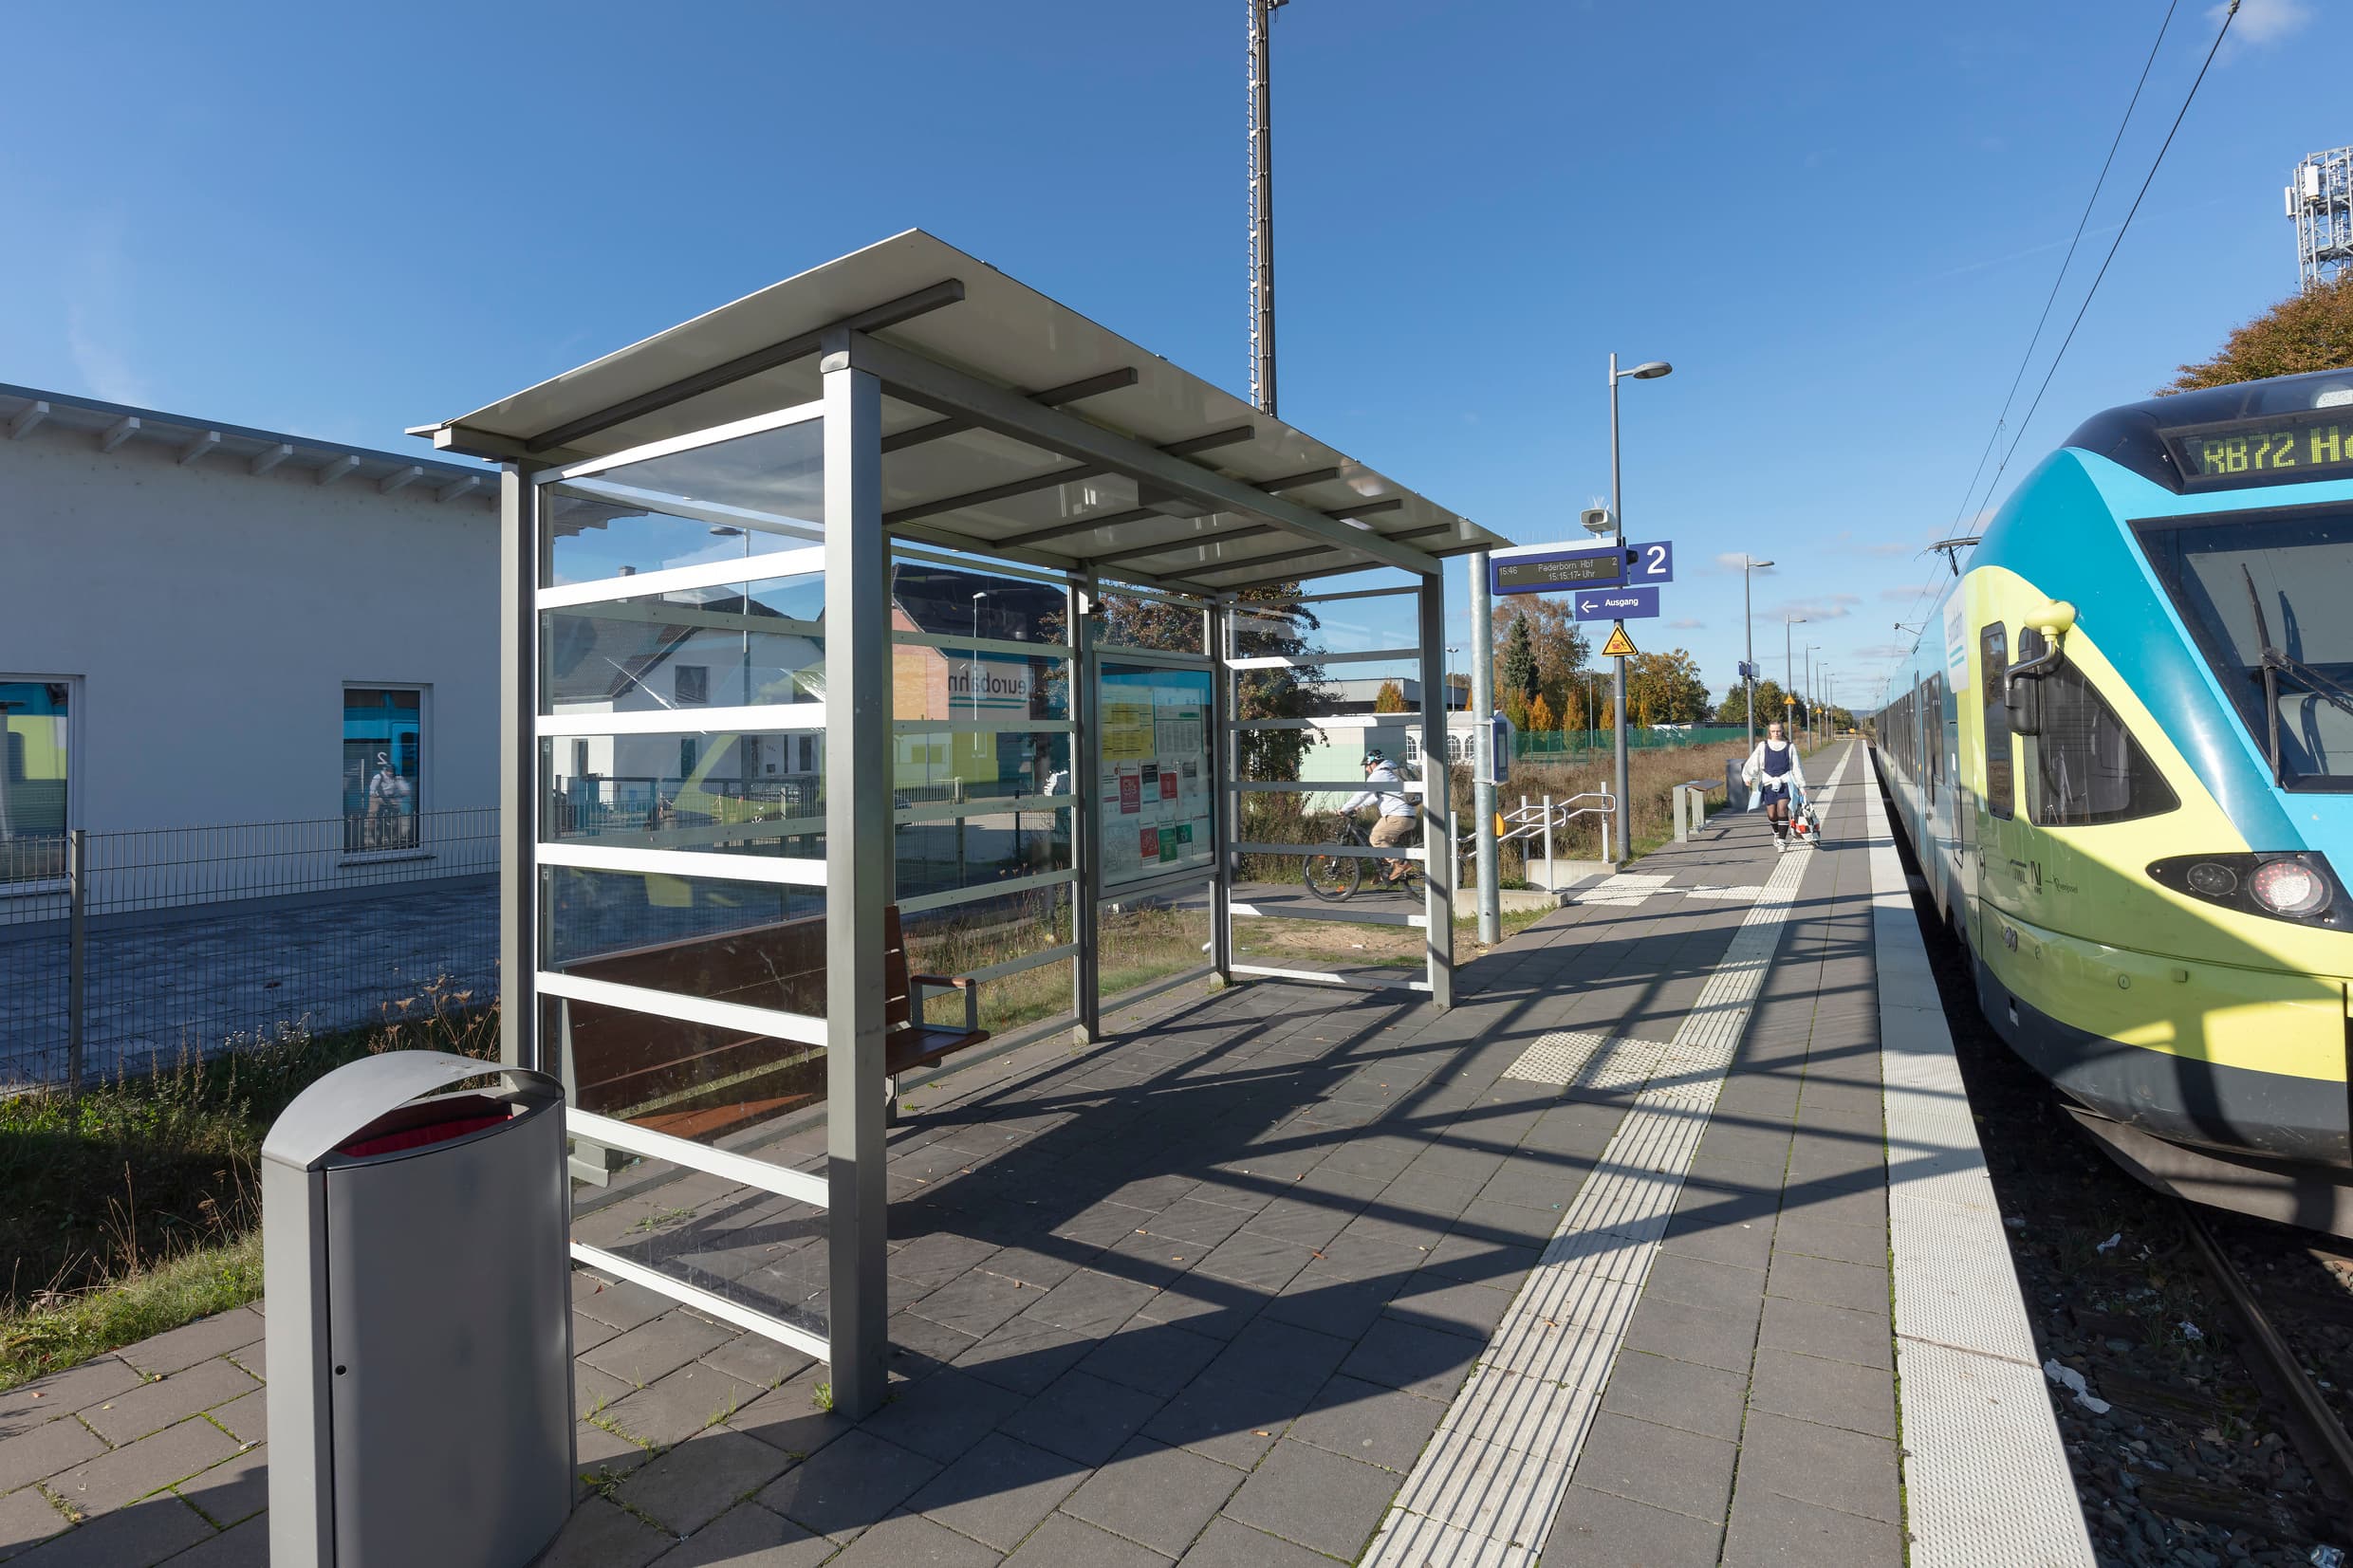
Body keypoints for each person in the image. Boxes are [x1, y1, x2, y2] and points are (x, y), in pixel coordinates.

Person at [1342, 747, 1417, 882]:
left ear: (1373, 763)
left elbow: (1362, 793)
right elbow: (1376, 796)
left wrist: (1344, 809)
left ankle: (1401, 864)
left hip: (1397, 816)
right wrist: (1360, 807)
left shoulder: (1379, 774)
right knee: (1384, 842)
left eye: (1367, 765)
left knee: (1376, 838)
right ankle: (1386, 872)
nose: (1366, 769)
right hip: (1407, 816)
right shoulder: (1390, 770)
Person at [1740, 721, 1808, 851]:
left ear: (1782, 731)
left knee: (1782, 809)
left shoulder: (1790, 747)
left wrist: (1801, 786)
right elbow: (1754, 762)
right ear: (1769, 732)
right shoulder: (1763, 746)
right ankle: (1776, 832)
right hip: (1768, 783)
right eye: (1773, 731)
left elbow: (1796, 767)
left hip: (1785, 783)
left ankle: (1782, 841)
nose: (1776, 733)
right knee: (1772, 814)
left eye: (1778, 731)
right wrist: (1748, 777)